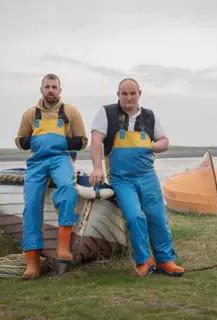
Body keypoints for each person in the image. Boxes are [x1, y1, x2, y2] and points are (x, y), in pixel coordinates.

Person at [88, 78, 184, 277]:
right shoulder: (106, 113)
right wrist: (97, 168)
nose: (128, 98)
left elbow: (164, 141)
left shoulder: (150, 116)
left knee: (157, 217)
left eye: (132, 93)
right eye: (124, 94)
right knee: (134, 217)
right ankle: (145, 260)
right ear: (118, 95)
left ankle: (165, 260)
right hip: (121, 179)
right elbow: (96, 140)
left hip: (147, 175)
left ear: (139, 93)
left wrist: (150, 145)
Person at [15, 73, 88, 280]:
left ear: (60, 90)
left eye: (54, 87)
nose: (51, 91)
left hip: (60, 159)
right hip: (37, 162)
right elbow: (20, 141)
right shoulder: (30, 114)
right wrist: (34, 142)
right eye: (47, 87)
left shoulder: (70, 112)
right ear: (41, 90)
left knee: (67, 187)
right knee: (31, 205)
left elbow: (82, 141)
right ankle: (32, 262)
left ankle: (63, 246)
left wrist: (63, 143)